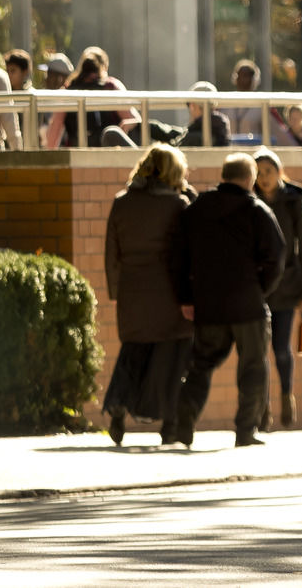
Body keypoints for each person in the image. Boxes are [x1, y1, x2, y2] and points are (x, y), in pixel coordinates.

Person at [178, 151, 285, 446]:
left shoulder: (197, 210)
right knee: (253, 365)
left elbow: (179, 257)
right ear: (250, 179)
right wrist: (259, 289)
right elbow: (277, 257)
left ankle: (182, 426)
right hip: (248, 304)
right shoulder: (256, 210)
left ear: (223, 176)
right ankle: (245, 430)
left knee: (200, 364)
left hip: (209, 304)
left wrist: (188, 296)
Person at [103, 142, 196, 445]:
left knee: (134, 350)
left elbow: (111, 252)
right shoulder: (178, 205)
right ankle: (169, 424)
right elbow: (186, 252)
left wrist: (116, 289)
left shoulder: (122, 202)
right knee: (173, 356)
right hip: (169, 290)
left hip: (132, 287)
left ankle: (118, 402)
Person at [257, 148, 302, 429]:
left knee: (281, 348)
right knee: (259, 351)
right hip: (257, 288)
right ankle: (262, 406)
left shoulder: (294, 202)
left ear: (279, 172)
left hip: (287, 285)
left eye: (268, 171)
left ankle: (285, 395)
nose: (263, 177)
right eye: (258, 172)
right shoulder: (251, 201)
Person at [223, 58, 266, 143]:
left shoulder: (262, 104)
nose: (244, 79)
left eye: (247, 75)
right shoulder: (225, 102)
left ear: (254, 79)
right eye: (241, 75)